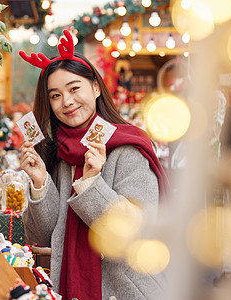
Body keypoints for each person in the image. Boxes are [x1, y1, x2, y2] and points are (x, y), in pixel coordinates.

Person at [19, 30, 169, 300]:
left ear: (96, 87)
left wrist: (91, 184)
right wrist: (40, 182)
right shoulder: (60, 153)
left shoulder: (129, 148)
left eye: (74, 88)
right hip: (70, 287)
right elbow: (43, 235)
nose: (67, 101)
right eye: (55, 95)